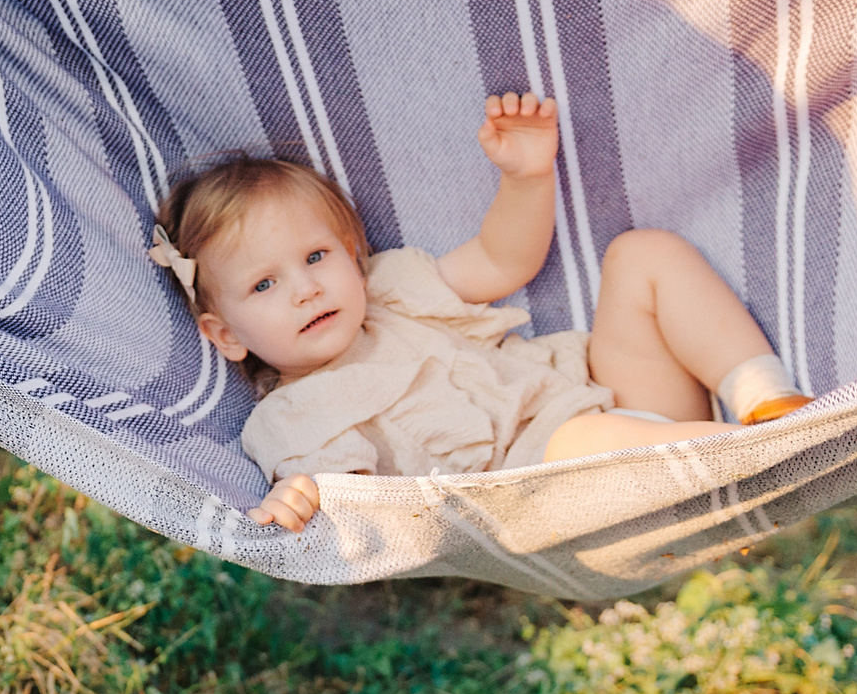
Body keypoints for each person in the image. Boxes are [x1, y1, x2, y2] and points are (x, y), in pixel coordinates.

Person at [146, 93, 812, 533]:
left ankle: (769, 405)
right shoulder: (290, 416)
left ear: (353, 254)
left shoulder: (395, 288)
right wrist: (302, 498)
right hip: (554, 488)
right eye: (265, 284)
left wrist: (526, 176)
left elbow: (501, 259)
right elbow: (346, 497)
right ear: (225, 334)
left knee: (644, 254)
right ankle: (765, 466)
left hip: (614, 402)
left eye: (317, 257)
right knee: (575, 445)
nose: (305, 289)